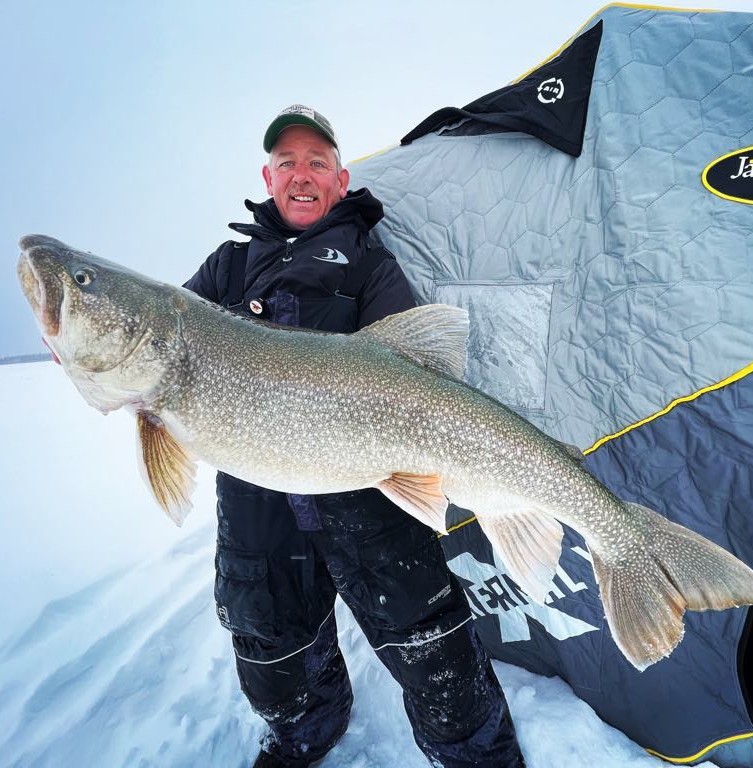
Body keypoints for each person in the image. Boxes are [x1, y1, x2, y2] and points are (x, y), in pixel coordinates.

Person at [183, 105, 525, 768]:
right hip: (259, 500)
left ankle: (479, 756)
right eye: (288, 163)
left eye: (317, 162)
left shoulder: (370, 266)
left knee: (435, 649)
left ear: (340, 180)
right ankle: (305, 730)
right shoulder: (226, 268)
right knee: (270, 644)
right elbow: (174, 341)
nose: (301, 174)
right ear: (268, 176)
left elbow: (414, 375)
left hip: (369, 493)